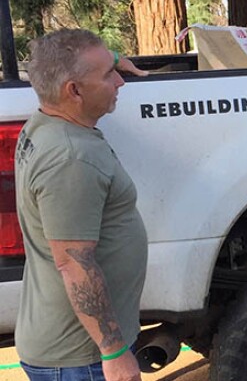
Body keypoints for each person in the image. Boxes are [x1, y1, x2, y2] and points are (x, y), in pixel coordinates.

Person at [14, 29, 148, 381]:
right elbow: (75, 265)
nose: (120, 81)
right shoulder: (71, 159)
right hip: (81, 357)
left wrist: (112, 59)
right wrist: (115, 353)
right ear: (73, 90)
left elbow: (56, 59)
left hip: (70, 348)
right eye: (108, 75)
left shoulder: (46, 123)